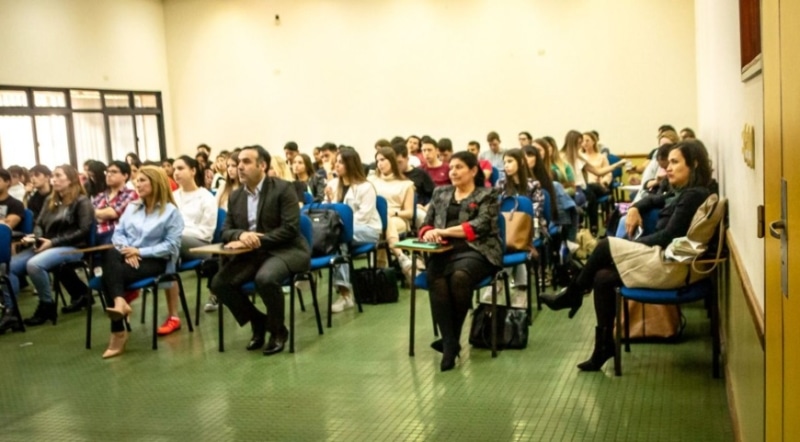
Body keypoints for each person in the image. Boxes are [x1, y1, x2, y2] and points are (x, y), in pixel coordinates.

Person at [541, 140, 713, 372]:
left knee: (605, 245)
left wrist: (631, 247)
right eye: (668, 162)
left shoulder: (693, 195)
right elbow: (654, 199)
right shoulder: (682, 192)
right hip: (664, 259)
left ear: (693, 164)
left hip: (673, 268)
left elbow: (669, 236)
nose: (667, 168)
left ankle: (572, 294)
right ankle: (604, 348)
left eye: (674, 162)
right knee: (602, 278)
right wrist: (635, 208)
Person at [210, 145, 310, 355]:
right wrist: (240, 235)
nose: (240, 167)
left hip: (287, 250)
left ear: (262, 165)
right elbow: (225, 230)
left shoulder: (283, 188)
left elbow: (290, 229)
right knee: (219, 284)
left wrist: (253, 240)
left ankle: (277, 331)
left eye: (246, 162)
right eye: (238, 163)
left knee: (265, 279)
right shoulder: (236, 196)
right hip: (253, 253)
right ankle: (259, 321)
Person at [418, 151, 501, 372]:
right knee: (436, 280)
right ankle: (451, 342)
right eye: (451, 167)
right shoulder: (440, 192)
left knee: (459, 278)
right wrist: (428, 233)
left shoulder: (488, 195)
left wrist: (442, 230)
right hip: (443, 250)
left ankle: (448, 343)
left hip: (478, 250)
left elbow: (479, 226)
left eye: (459, 167)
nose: (453, 172)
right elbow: (425, 224)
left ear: (473, 171)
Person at [98, 166, 184, 358]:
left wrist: (140, 251)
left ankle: (118, 331)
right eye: (137, 180)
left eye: (143, 180)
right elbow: (118, 234)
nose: (138, 184)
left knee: (108, 279)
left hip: (155, 261)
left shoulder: (171, 212)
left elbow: (171, 246)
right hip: (128, 257)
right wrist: (128, 252)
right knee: (110, 253)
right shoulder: (132, 207)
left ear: (156, 183)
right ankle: (120, 303)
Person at [2, 165, 93, 330]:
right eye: (54, 176)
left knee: (34, 264)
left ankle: (46, 306)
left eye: (58, 176)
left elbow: (83, 230)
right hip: (46, 244)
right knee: (10, 267)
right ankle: (11, 312)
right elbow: (39, 224)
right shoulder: (51, 200)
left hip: (72, 247)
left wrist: (53, 242)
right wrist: (36, 238)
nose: (54, 179)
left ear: (71, 179)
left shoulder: (82, 201)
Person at [158, 156, 217, 335]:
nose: (176, 172)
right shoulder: (172, 197)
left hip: (201, 246)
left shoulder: (205, 197)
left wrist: (178, 232)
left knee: (171, 243)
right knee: (168, 250)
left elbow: (207, 232)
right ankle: (173, 316)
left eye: (181, 168)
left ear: (193, 171)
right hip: (175, 246)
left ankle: (172, 314)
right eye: (174, 169)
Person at [324, 148, 381, 313]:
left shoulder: (365, 187)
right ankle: (345, 294)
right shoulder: (334, 184)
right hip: (342, 232)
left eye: (341, 162)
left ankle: (345, 295)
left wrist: (340, 224)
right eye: (336, 162)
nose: (337, 165)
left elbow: (363, 217)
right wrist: (328, 199)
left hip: (368, 230)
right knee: (338, 241)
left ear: (350, 164)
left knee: (337, 237)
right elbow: (327, 211)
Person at [493, 148, 545, 307]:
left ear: (521, 162)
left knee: (516, 243)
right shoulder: (500, 184)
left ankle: (501, 279)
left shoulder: (533, 184)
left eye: (510, 161)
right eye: (504, 162)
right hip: (505, 229)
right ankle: (521, 287)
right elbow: (494, 209)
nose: (506, 166)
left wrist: (519, 220)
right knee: (507, 242)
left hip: (529, 228)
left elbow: (537, 210)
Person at [368, 147, 415, 276]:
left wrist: (392, 213)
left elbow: (409, 213)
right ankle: (400, 256)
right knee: (381, 222)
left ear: (392, 161)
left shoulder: (406, 184)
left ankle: (379, 271)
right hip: (375, 217)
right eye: (377, 160)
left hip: (397, 218)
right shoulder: (371, 181)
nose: (379, 164)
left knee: (384, 222)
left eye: (383, 159)